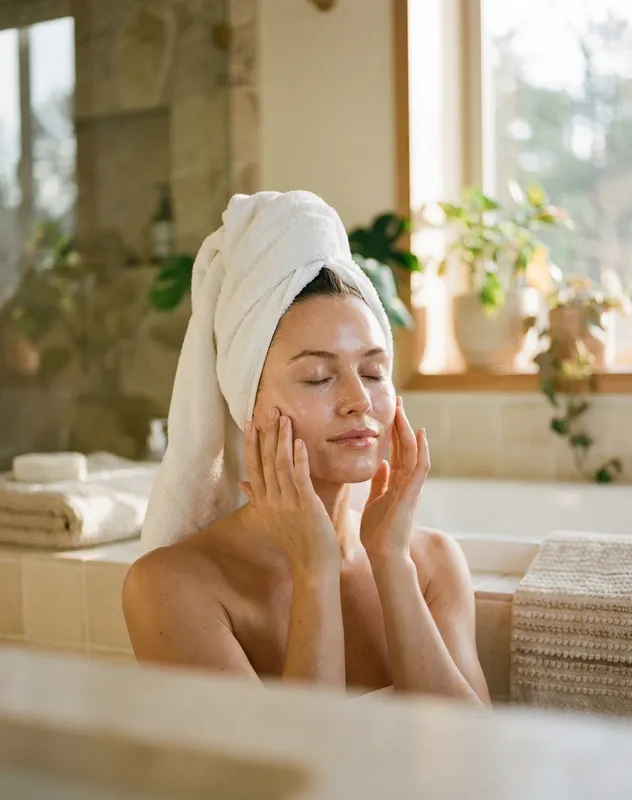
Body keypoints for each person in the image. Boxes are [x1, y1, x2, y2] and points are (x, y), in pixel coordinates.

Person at [123, 265, 490, 706]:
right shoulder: (173, 588)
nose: (360, 402)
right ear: (249, 407)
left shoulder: (431, 562)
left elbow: (470, 757)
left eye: (374, 373)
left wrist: (392, 564)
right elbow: (291, 770)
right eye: (318, 377)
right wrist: (315, 572)